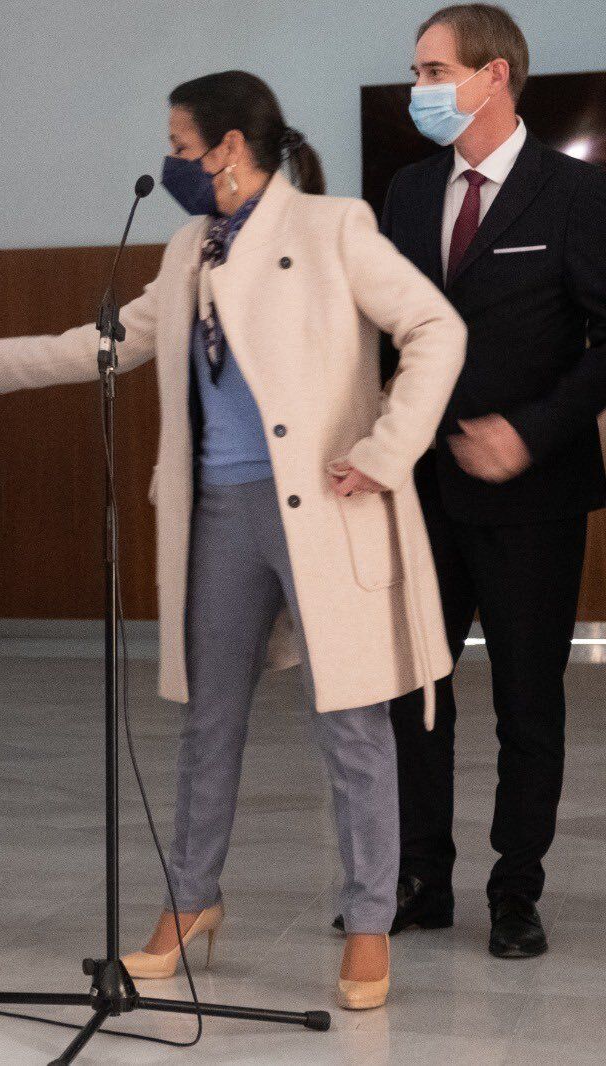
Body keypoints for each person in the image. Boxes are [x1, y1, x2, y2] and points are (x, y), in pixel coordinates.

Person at [0, 73, 466, 1009]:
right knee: (206, 721)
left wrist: (386, 448)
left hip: (326, 506)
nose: (174, 163)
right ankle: (191, 902)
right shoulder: (190, 242)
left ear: (231, 147)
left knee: (351, 723)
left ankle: (367, 922)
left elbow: (436, 327)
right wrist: (6, 364)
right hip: (220, 514)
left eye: (181, 146)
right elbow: (122, 337)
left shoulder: (335, 227)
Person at [369, 5, 606, 959]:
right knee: (415, 692)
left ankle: (517, 887)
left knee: (526, 698)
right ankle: (423, 875)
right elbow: (385, 329)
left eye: (433, 70)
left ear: (493, 75)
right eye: (416, 70)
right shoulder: (406, 189)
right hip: (420, 489)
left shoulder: (576, 196)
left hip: (531, 496)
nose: (418, 87)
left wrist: (532, 432)